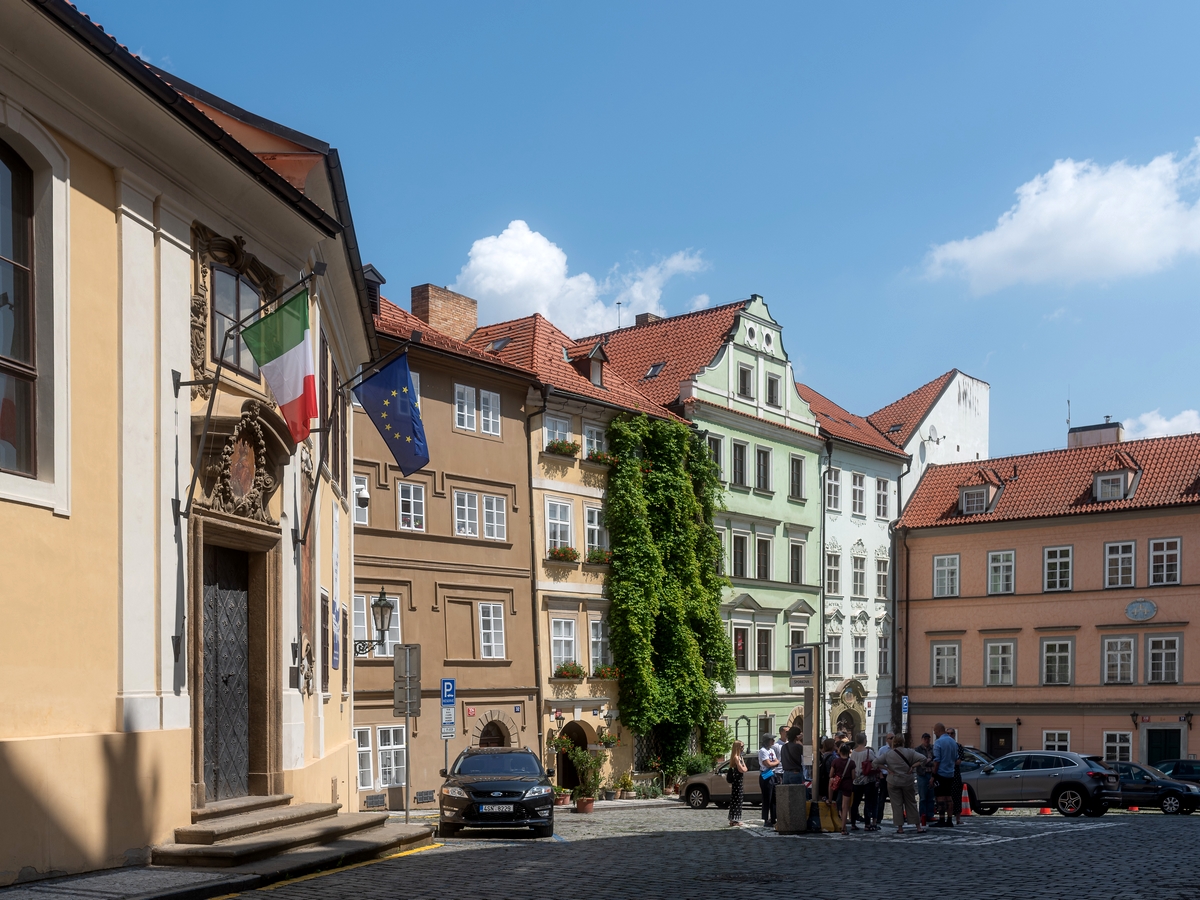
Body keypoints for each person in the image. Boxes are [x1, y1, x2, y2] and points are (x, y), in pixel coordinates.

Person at [875, 733, 926, 834]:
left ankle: (900, 828)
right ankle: (918, 826)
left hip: (893, 780)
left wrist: (887, 768)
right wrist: (913, 766)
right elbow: (923, 759)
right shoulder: (909, 752)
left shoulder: (888, 754)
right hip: (907, 780)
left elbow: (875, 762)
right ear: (903, 742)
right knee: (911, 803)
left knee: (896, 804)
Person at [848, 732, 877, 831]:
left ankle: (853, 823)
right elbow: (875, 762)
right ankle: (867, 824)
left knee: (856, 802)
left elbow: (851, 765)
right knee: (868, 802)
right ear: (864, 740)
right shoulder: (868, 752)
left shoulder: (853, 753)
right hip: (867, 779)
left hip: (856, 780)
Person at [931, 722, 958, 827]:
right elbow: (956, 758)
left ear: (938, 731)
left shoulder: (938, 743)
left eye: (934, 731)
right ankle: (950, 820)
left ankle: (941, 819)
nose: (934, 732)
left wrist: (933, 776)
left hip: (941, 773)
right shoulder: (953, 742)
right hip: (951, 773)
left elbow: (937, 761)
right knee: (949, 797)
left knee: (940, 797)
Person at [829, 742, 856, 835]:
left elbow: (831, 775)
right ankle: (843, 828)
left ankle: (829, 798)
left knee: (839, 804)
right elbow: (853, 777)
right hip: (848, 784)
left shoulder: (835, 761)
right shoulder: (851, 762)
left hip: (838, 783)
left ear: (839, 752)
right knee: (845, 807)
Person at [758, 734, 780, 827]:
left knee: (774, 798)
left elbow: (777, 761)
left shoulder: (771, 750)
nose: (773, 742)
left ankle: (774, 818)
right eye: (771, 740)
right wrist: (774, 763)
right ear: (767, 741)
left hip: (773, 774)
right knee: (767, 798)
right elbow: (767, 763)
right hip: (766, 775)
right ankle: (766, 819)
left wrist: (774, 763)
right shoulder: (762, 751)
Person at [915, 733, 936, 826]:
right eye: (925, 739)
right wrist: (926, 761)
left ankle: (930, 815)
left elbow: (935, 761)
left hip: (931, 774)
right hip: (922, 775)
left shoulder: (933, 748)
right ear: (922, 739)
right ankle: (922, 815)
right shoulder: (918, 749)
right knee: (923, 796)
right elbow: (919, 762)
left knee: (931, 796)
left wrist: (928, 762)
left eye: (928, 739)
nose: (927, 740)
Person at [728, 740, 748, 827]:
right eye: (742, 747)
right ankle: (734, 820)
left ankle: (734, 819)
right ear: (737, 747)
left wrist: (743, 768)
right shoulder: (736, 757)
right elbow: (742, 769)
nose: (743, 748)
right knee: (736, 800)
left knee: (739, 800)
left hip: (740, 781)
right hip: (736, 782)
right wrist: (743, 768)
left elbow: (745, 769)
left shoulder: (740, 757)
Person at [949, 727, 965, 825]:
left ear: (954, 735)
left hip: (955, 774)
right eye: (948, 733)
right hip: (945, 774)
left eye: (951, 733)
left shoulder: (958, 746)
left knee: (957, 796)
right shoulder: (944, 745)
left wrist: (950, 761)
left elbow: (959, 761)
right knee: (946, 796)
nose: (950, 735)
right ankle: (948, 818)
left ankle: (958, 819)